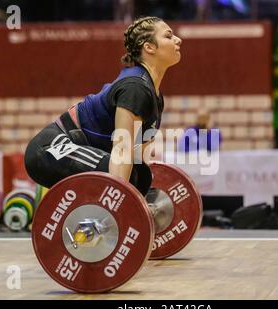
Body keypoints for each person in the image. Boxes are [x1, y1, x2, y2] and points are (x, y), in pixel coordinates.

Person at [24, 16, 182, 195]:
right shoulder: (134, 87)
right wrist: (119, 202)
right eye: (168, 36)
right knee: (122, 174)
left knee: (139, 175)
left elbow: (139, 157)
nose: (178, 39)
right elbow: (122, 149)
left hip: (82, 150)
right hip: (49, 149)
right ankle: (45, 202)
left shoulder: (155, 98)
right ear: (149, 47)